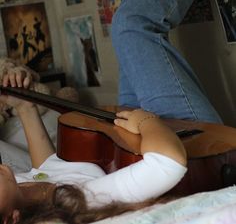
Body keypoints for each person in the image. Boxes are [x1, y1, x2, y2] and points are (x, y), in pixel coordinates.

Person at [0, 67, 187, 224]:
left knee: (127, 55)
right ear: (10, 220)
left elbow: (46, 169)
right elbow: (168, 163)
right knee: (130, 27)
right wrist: (146, 120)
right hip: (173, 141)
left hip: (125, 137)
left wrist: (25, 108)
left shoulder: (17, 189)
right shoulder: (77, 203)